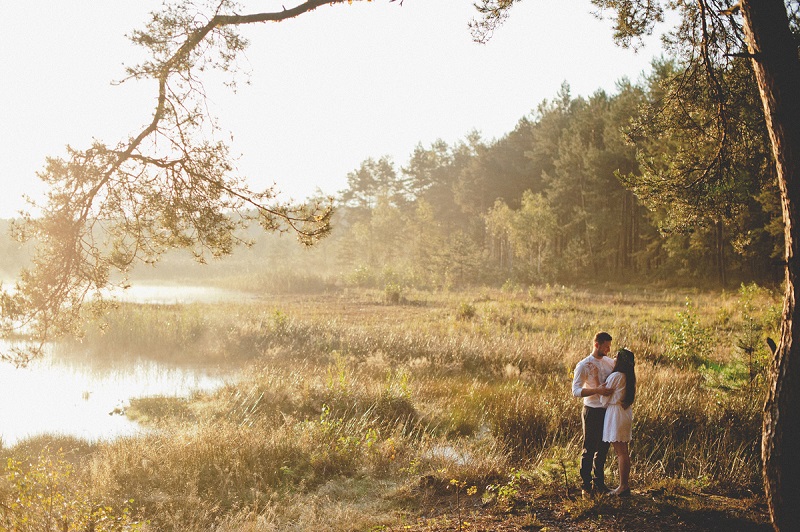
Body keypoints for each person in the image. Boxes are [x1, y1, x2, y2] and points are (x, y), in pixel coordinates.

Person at [572, 331, 615, 496]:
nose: (608, 350)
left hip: (607, 411)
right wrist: (596, 390)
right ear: (596, 345)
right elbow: (575, 391)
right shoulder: (584, 365)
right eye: (606, 347)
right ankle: (585, 485)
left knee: (604, 448)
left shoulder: (609, 362)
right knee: (589, 448)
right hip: (591, 410)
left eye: (609, 347)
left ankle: (599, 483)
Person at [602, 348, 637, 497]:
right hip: (624, 412)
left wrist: (601, 391)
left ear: (620, 361)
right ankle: (624, 485)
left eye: (616, 357)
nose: (613, 359)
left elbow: (604, 400)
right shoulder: (629, 376)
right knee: (623, 451)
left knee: (621, 452)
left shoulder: (616, 376)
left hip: (616, 413)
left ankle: (623, 486)